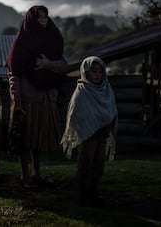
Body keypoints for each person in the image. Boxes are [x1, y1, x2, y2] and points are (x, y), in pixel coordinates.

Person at [6, 5, 68, 189]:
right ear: (31, 20)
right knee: (26, 140)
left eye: (45, 17)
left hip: (46, 98)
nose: (43, 21)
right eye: (39, 18)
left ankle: (37, 174)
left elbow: (64, 65)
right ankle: (25, 176)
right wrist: (17, 101)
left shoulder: (52, 39)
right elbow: (14, 74)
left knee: (38, 140)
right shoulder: (22, 43)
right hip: (28, 100)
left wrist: (48, 64)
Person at [60, 56, 118, 208]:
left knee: (99, 163)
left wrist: (105, 119)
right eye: (94, 71)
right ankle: (84, 193)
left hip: (102, 132)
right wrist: (87, 123)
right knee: (86, 162)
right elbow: (75, 114)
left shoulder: (106, 89)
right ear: (85, 72)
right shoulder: (82, 91)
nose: (97, 75)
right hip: (87, 134)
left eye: (100, 71)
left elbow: (111, 108)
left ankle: (94, 190)